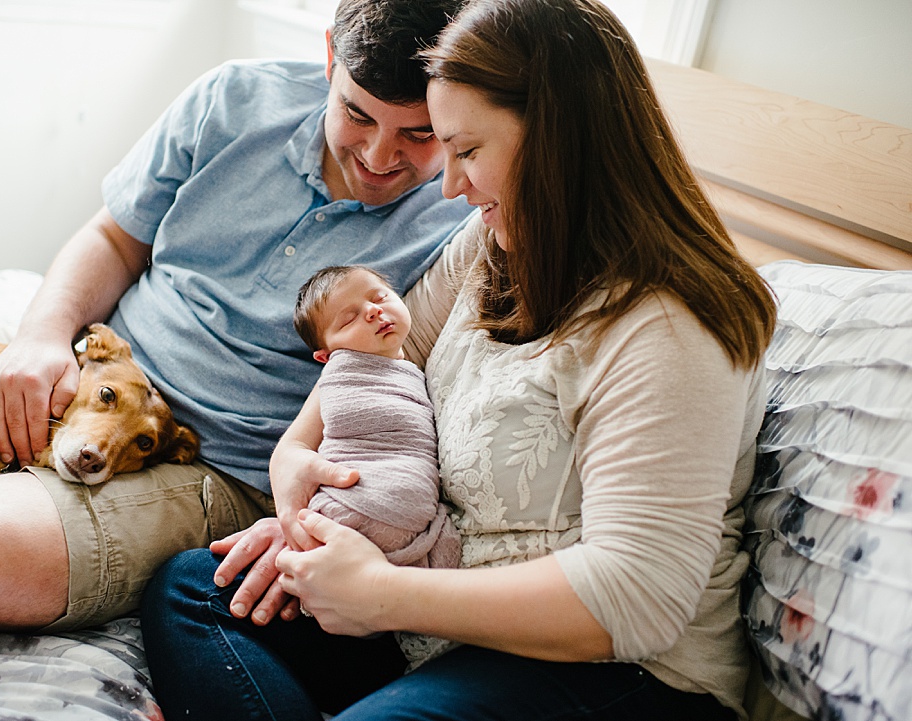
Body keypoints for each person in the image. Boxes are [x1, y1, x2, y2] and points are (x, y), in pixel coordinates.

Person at [139, 0, 779, 720]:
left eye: (467, 151)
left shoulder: (670, 320)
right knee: (195, 588)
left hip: (618, 668)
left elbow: (637, 596)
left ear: (558, 142)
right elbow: (387, 352)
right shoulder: (492, 244)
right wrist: (298, 470)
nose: (449, 185)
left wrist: (380, 593)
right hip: (432, 610)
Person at [0, 0, 471, 632]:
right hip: (97, 368)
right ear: (330, 58)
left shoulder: (469, 213)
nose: (380, 157)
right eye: (357, 115)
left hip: (215, 459)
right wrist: (42, 336)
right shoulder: (233, 98)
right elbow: (114, 239)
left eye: (420, 135)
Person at [293, 265, 460, 571]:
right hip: (349, 504)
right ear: (327, 357)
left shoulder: (414, 370)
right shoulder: (343, 376)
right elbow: (354, 421)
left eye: (380, 297)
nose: (372, 311)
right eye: (348, 319)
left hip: (414, 508)